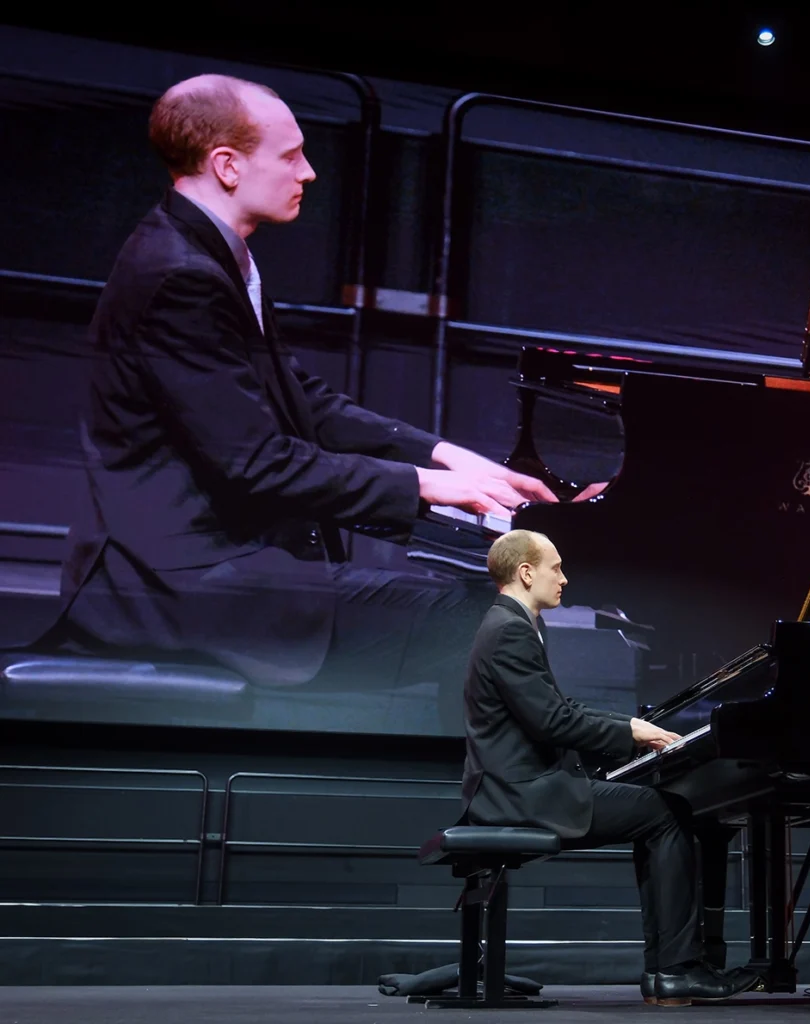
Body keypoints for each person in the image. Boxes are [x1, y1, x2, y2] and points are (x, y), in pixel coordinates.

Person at [53, 73, 556, 724]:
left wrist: (446, 456)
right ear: (227, 166)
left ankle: (477, 782)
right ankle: (481, 787)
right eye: (290, 155)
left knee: (484, 608)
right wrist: (427, 487)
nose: (309, 172)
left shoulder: (213, 254)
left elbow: (304, 401)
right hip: (177, 583)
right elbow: (257, 462)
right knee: (491, 619)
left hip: (202, 566)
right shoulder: (181, 275)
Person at [460, 529, 759, 1005]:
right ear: (526, 573)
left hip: (515, 787)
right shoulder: (510, 630)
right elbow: (552, 721)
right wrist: (630, 733)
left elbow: (559, 708)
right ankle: (674, 971)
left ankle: (668, 971)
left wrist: (629, 726)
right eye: (556, 568)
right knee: (667, 813)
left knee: (660, 812)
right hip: (520, 794)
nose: (564, 578)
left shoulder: (511, 623)